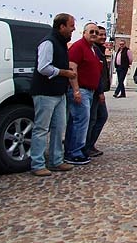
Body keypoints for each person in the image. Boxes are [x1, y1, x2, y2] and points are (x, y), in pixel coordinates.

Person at [29, 13, 77, 176]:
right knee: (41, 128)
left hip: (58, 93)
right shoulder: (48, 42)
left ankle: (56, 160)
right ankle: (37, 164)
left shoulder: (61, 43)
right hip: (45, 92)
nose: (73, 29)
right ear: (62, 26)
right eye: (71, 26)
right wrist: (64, 72)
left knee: (58, 127)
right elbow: (43, 67)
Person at [65, 23, 103, 165]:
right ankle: (74, 152)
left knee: (78, 121)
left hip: (89, 91)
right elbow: (72, 68)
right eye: (91, 31)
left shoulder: (92, 49)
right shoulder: (78, 47)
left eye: (96, 32)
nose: (94, 34)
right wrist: (76, 90)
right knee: (80, 122)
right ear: (84, 33)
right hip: (81, 90)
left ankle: (72, 150)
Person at [84, 26, 110, 158]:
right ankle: (86, 146)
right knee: (93, 118)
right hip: (94, 91)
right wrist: (100, 92)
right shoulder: (95, 50)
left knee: (98, 117)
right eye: (100, 34)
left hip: (98, 90)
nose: (103, 37)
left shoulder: (99, 50)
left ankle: (88, 145)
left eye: (104, 34)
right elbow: (96, 73)